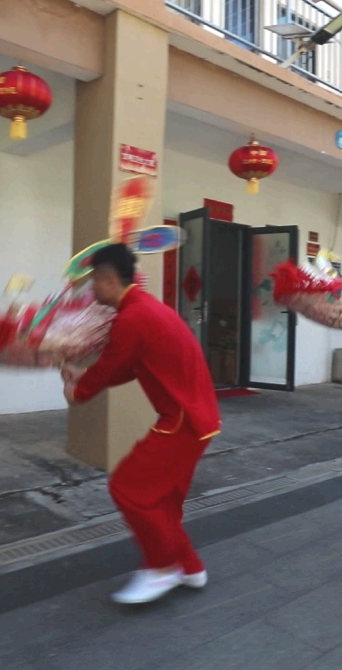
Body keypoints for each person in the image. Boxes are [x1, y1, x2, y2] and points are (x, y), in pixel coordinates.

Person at [61, 243, 221, 605]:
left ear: (108, 278)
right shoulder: (144, 310)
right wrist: (83, 376)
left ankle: (163, 567)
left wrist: (78, 389)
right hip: (198, 417)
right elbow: (127, 367)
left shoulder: (132, 318)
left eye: (94, 283)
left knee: (128, 489)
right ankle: (190, 566)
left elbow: (110, 368)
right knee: (161, 500)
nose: (91, 291)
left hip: (183, 419)